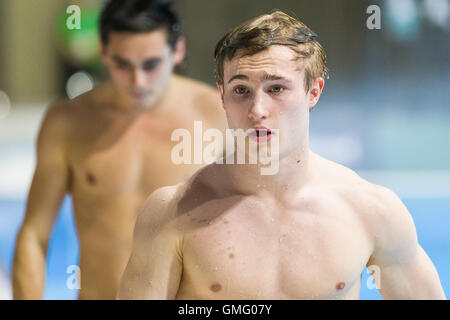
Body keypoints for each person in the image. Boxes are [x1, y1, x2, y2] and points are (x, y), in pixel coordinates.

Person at [117, 11, 446, 300]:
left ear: (313, 91)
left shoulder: (371, 212)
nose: (257, 110)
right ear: (222, 94)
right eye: (241, 90)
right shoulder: (171, 214)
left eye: (277, 88)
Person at [12, 0, 226, 300]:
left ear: (177, 51)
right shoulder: (67, 123)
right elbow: (34, 236)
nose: (138, 81)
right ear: (102, 53)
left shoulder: (218, 114)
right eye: (122, 64)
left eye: (151, 64)